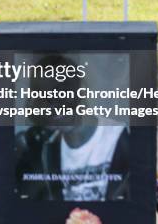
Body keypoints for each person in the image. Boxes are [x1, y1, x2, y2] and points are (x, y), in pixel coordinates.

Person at [15, 55, 129, 202]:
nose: (54, 104)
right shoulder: (47, 149)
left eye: (60, 92)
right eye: (44, 97)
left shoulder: (117, 135)